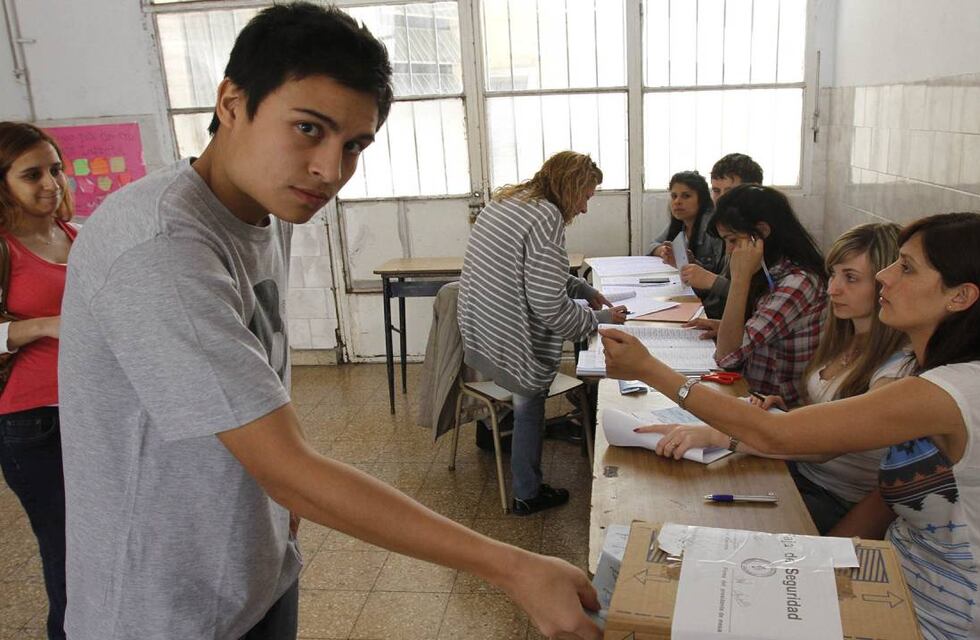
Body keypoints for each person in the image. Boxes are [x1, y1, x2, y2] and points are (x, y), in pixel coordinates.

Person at [57, 5, 601, 640]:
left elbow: (257, 394)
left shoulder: (261, 211)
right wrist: (512, 567)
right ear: (231, 102)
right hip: (165, 607)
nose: (330, 170)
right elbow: (289, 464)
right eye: (307, 128)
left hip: (253, 571)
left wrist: (278, 507)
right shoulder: (159, 246)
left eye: (354, 145)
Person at [600, 212, 980, 640]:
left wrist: (650, 370)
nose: (886, 279)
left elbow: (777, 436)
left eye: (906, 268)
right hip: (898, 576)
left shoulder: (946, 389)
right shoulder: (932, 372)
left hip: (939, 613)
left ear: (960, 296)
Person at [638, 222, 911, 533]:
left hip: (833, 498)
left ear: (885, 283)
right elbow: (822, 414)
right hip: (798, 470)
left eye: (851, 278)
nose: (833, 288)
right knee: (688, 494)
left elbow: (824, 446)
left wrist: (718, 434)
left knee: (712, 521)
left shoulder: (895, 372)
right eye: (833, 274)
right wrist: (788, 413)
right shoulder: (845, 337)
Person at [459, 151, 626, 516]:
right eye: (585, 195)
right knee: (530, 398)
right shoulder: (547, 216)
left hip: (478, 330)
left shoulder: (510, 201)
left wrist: (582, 291)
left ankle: (490, 434)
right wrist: (602, 318)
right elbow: (550, 309)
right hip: (506, 335)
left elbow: (534, 269)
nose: (583, 208)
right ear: (569, 188)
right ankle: (527, 494)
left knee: (519, 386)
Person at [0, 122, 74, 640]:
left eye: (55, 169)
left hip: (91, 410)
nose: (51, 183)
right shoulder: (4, 249)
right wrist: (45, 325)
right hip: (32, 424)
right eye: (32, 175)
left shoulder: (73, 234)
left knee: (109, 543)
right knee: (68, 554)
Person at [689, 185, 826, 406]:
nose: (729, 251)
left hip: (781, 410)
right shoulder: (771, 270)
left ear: (761, 232)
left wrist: (740, 280)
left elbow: (727, 356)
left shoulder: (798, 283)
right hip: (753, 394)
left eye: (733, 240)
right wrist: (726, 326)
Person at [680, 153, 765, 316]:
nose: (721, 199)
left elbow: (757, 298)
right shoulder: (724, 227)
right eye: (716, 191)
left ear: (753, 189)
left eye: (730, 191)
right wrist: (696, 268)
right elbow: (722, 281)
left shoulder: (759, 232)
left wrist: (710, 281)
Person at [647, 170, 724, 280]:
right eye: (674, 196)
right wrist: (665, 251)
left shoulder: (713, 227)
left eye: (686, 196)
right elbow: (653, 244)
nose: (677, 201)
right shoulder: (681, 221)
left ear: (702, 200)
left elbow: (717, 276)